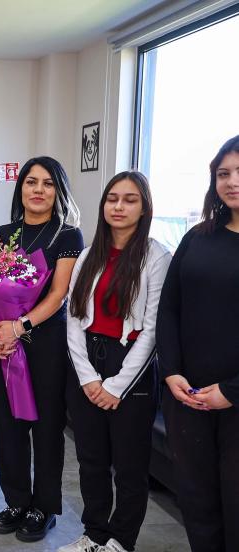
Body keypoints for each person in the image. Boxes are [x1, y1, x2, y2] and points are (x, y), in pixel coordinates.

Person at [61, 171, 170, 552]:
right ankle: (93, 534)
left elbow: (153, 330)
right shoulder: (89, 255)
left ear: (144, 209)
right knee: (90, 461)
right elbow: (74, 319)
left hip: (131, 366)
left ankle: (121, 541)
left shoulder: (156, 256)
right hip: (87, 361)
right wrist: (88, 378)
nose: (119, 207)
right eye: (112, 199)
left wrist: (116, 386)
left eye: (130, 200)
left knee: (129, 466)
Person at [0, 156, 83, 542]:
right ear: (20, 188)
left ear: (58, 191)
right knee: (8, 426)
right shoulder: (2, 234)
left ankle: (44, 506)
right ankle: (16, 501)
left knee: (46, 429)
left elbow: (58, 295)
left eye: (47, 183)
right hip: (2, 346)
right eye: (31, 182)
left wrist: (18, 326)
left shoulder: (67, 236)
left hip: (45, 346)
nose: (38, 190)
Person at [156, 135, 239, 552]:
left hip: (235, 400)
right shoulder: (197, 237)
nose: (232, 181)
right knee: (197, 501)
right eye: (224, 173)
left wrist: (232, 391)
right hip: (187, 395)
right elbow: (169, 308)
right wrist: (171, 372)